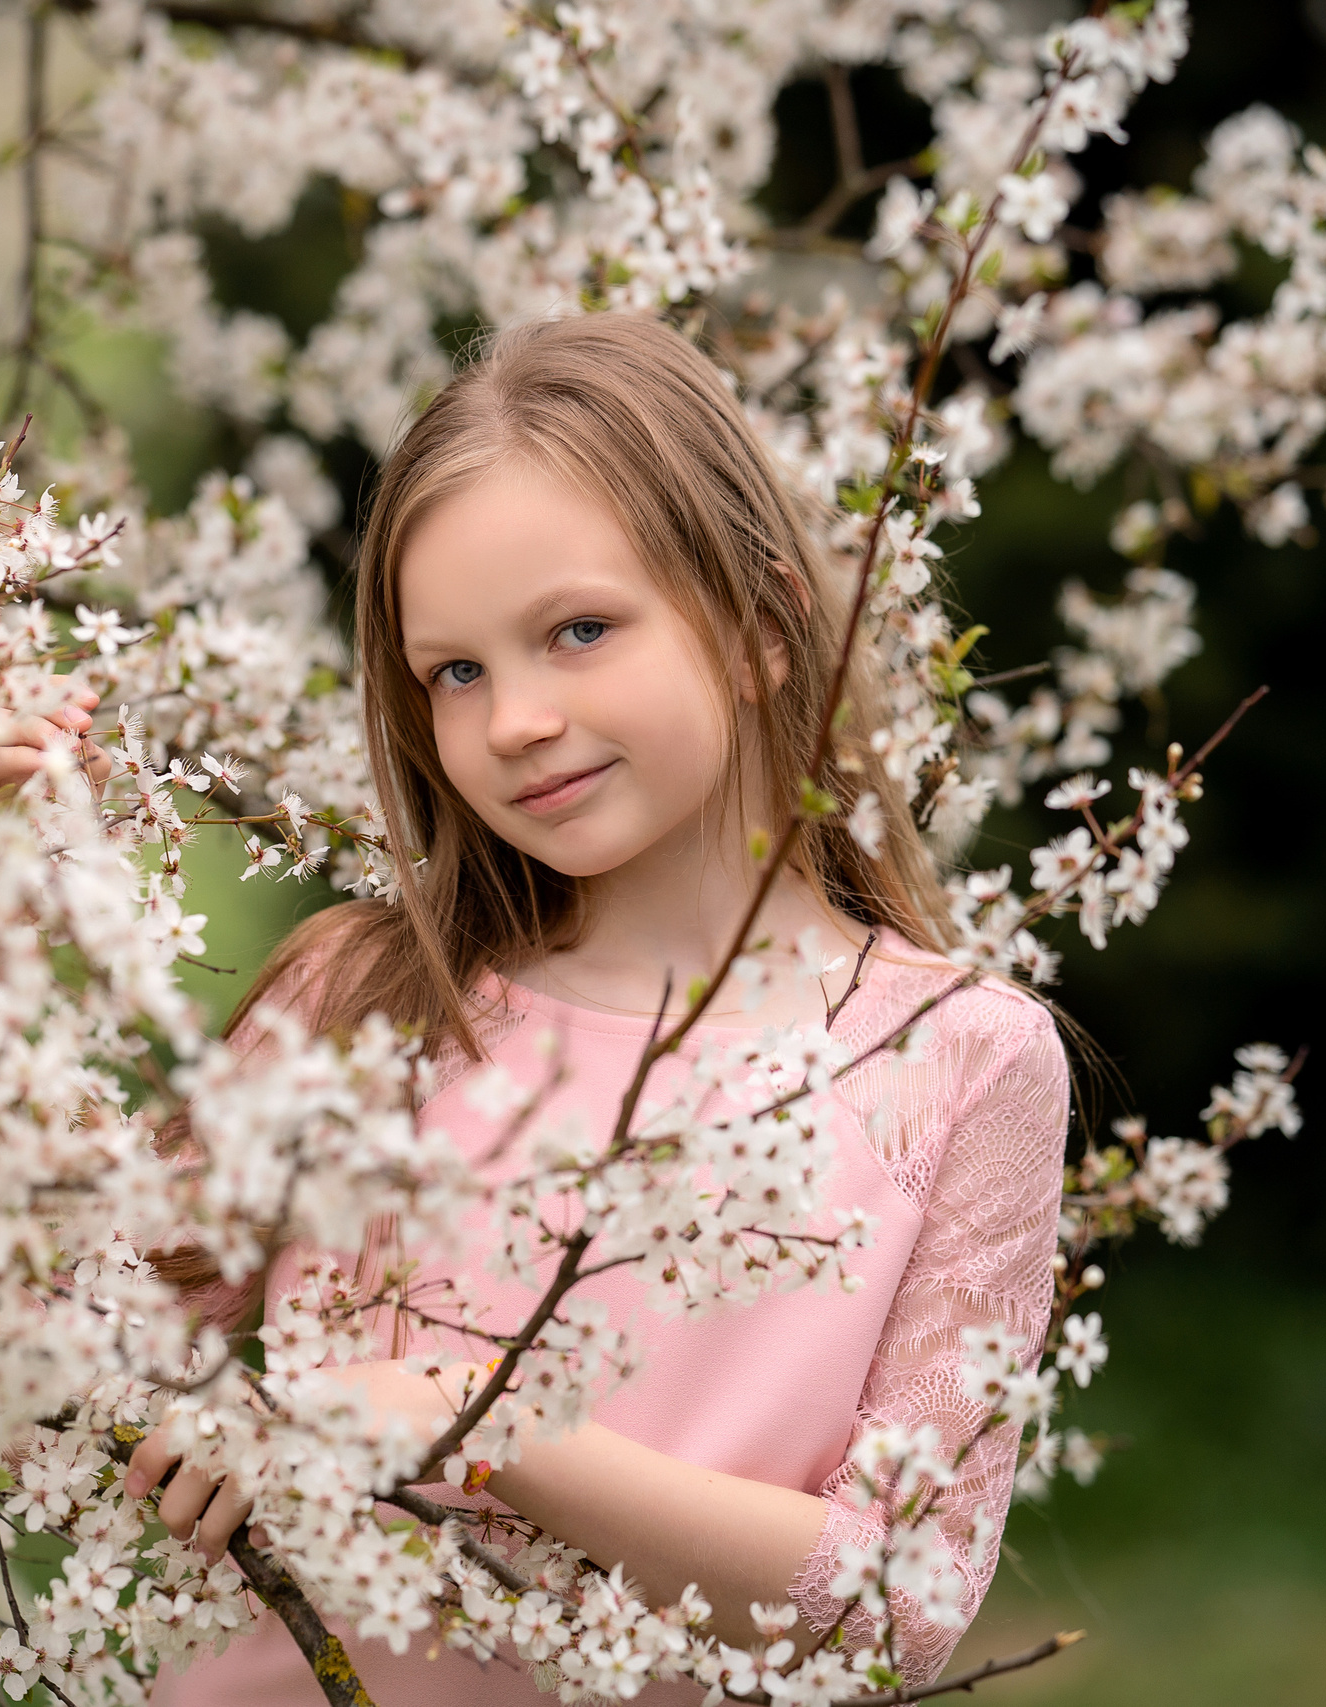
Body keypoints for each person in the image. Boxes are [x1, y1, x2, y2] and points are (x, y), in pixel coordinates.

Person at [127, 314, 1069, 1703]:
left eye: (579, 631)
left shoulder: (957, 1063)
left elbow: (902, 1602)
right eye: (457, 672)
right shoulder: (360, 1009)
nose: (514, 720)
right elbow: (40, 1323)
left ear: (757, 630)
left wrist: (480, 1421)